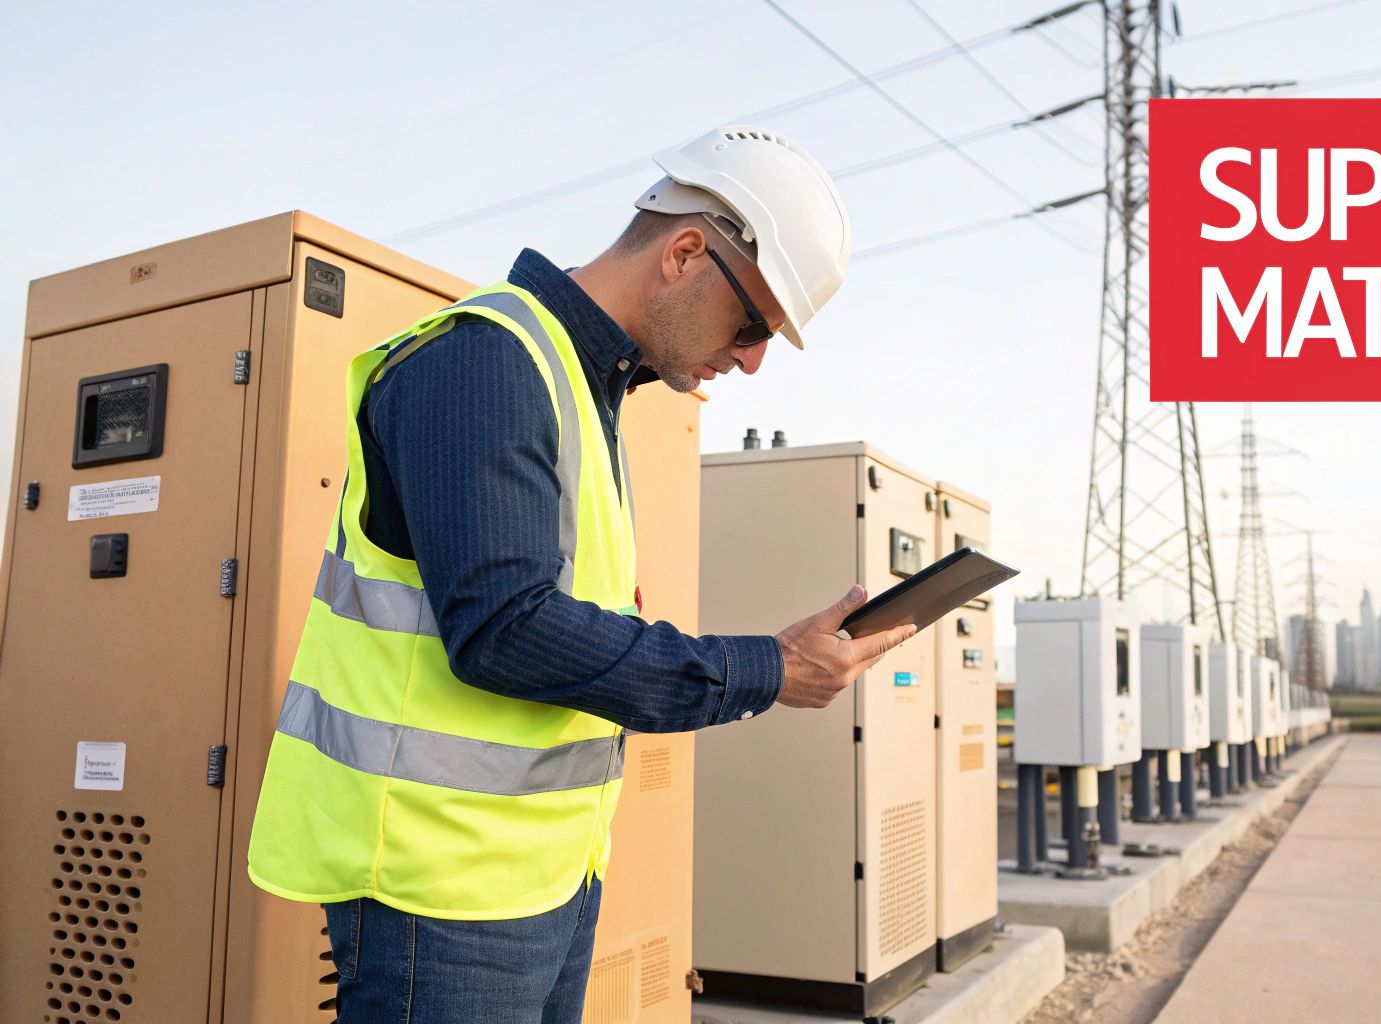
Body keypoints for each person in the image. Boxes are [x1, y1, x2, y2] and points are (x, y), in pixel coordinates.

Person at [246, 125, 913, 1023]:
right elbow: (505, 631)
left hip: (542, 873)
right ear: (685, 252)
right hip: (439, 888)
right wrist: (768, 668)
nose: (752, 359)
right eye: (753, 324)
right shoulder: (485, 360)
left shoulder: (580, 384)